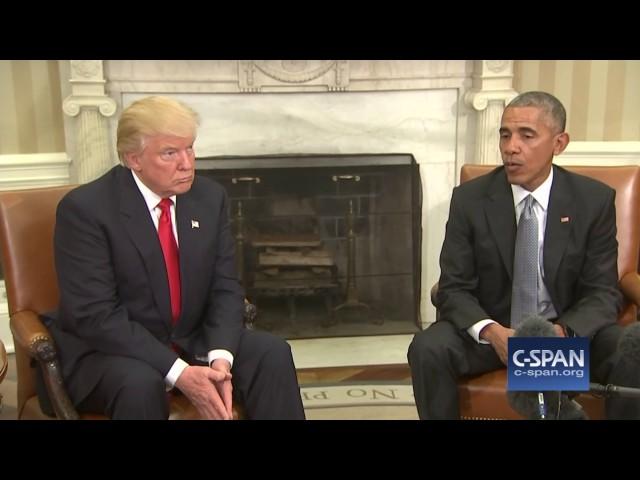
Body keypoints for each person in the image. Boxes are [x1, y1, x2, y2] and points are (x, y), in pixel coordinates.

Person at [43, 95, 306, 419]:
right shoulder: (86, 210)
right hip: (110, 352)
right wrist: (179, 371)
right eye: (170, 153)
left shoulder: (209, 198)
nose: (187, 163)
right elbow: (95, 315)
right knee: (141, 383)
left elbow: (225, 287)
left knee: (272, 353)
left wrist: (221, 358)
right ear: (133, 159)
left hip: (189, 339)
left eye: (190, 148)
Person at [408, 91, 639, 420]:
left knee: (630, 353)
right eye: (505, 134)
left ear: (559, 143)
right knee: (428, 348)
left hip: (565, 336)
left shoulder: (593, 201)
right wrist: (492, 332)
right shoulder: (470, 200)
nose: (510, 147)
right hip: (496, 337)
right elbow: (453, 287)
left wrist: (562, 334)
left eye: (526, 135)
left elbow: (602, 291)